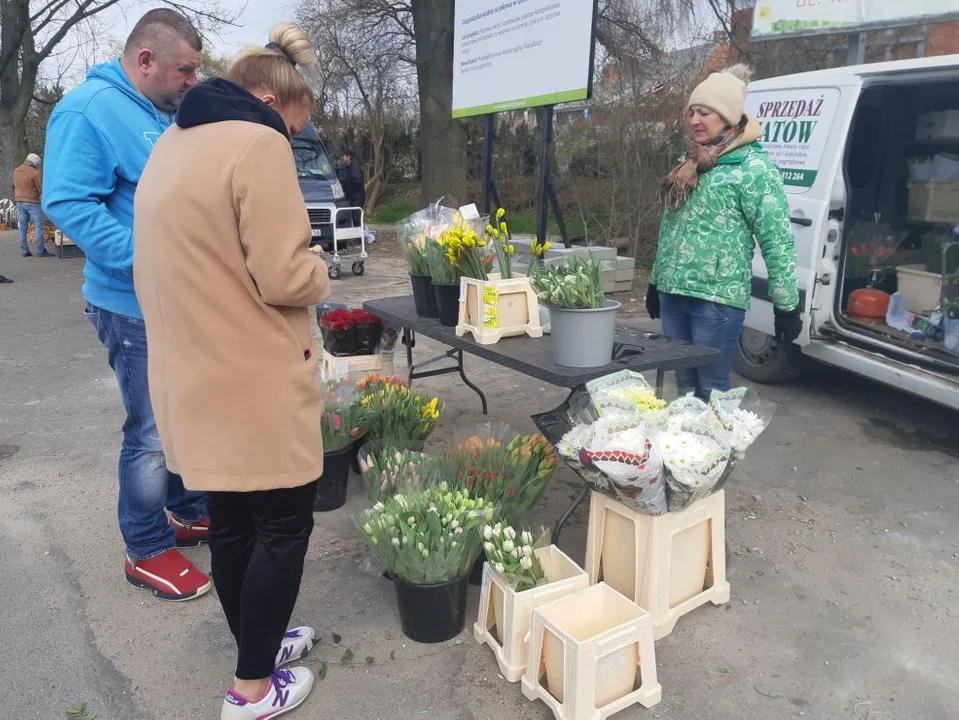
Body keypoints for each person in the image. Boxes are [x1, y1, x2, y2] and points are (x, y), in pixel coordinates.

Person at [133, 22, 331, 719]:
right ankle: (251, 689)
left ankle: (257, 643)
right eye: (300, 125)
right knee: (283, 525)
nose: (297, 138)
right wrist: (321, 272)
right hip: (254, 374)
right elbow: (283, 275)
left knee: (231, 520)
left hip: (191, 373)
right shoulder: (257, 143)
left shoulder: (171, 143)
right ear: (277, 104)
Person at [42, 9, 211, 601]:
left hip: (173, 300)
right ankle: (146, 548)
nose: (192, 80)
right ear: (146, 60)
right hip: (131, 305)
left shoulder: (156, 112)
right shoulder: (87, 111)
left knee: (181, 412)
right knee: (152, 429)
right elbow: (66, 200)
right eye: (185, 70)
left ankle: (187, 510)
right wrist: (145, 259)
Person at [646, 64, 801, 400]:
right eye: (692, 113)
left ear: (728, 117)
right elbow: (670, 226)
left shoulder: (754, 169)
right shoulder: (689, 163)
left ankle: (715, 453)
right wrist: (656, 281)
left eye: (705, 113)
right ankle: (684, 453)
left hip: (716, 301)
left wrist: (786, 305)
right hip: (674, 294)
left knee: (712, 391)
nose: (694, 121)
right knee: (684, 388)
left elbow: (778, 241)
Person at [13, 153, 52, 257]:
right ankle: (40, 251)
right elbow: (40, 189)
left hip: (19, 201)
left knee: (22, 228)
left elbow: (15, 184)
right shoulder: (35, 173)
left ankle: (25, 251)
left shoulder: (16, 170)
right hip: (32, 202)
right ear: (34, 163)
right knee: (38, 226)